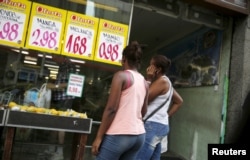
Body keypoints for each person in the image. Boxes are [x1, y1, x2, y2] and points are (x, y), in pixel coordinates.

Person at [91, 41, 149, 160]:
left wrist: (98, 137)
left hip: (120, 135)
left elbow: (111, 109)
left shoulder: (121, 76)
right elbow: (144, 112)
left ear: (124, 59)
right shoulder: (144, 82)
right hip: (138, 136)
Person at [136, 54, 183, 160]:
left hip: (152, 126)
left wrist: (148, 79)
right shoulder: (166, 82)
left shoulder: (162, 82)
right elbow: (179, 101)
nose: (149, 68)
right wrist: (165, 116)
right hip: (160, 125)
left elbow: (143, 100)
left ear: (158, 69)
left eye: (151, 65)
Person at [46, 56, 76, 160]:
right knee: (54, 124)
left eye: (54, 56)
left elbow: (72, 83)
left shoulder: (69, 66)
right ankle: (51, 149)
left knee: (61, 126)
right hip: (59, 98)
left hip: (65, 99)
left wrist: (55, 86)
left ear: (61, 55)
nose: (52, 58)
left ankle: (59, 153)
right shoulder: (62, 66)